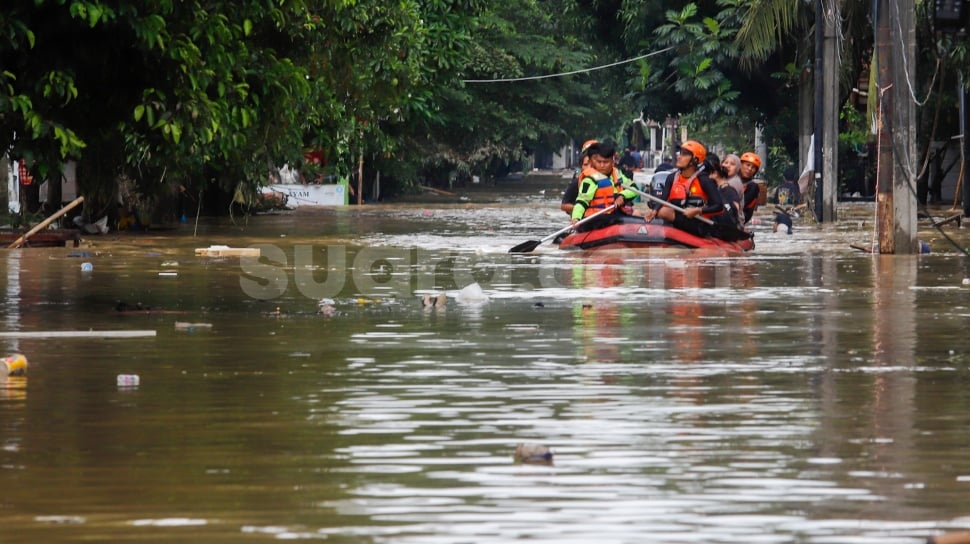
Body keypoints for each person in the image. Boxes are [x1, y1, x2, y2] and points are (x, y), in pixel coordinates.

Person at [643, 140, 726, 238]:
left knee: (664, 212)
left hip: (698, 223)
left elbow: (719, 206)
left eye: (684, 154)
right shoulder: (672, 178)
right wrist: (654, 210)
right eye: (680, 153)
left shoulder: (704, 180)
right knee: (659, 211)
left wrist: (698, 211)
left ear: (695, 160)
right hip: (680, 219)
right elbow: (663, 198)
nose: (679, 156)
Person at [570, 142, 636, 223]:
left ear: (612, 162)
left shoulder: (618, 175)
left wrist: (622, 196)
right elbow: (581, 201)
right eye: (599, 162)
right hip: (596, 219)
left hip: (615, 217)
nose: (602, 165)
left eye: (605, 162)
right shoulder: (590, 180)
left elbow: (634, 189)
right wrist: (576, 218)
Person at [705, 154, 744, 234]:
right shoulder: (720, 186)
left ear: (715, 173)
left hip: (731, 226)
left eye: (732, 164)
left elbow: (734, 210)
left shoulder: (731, 186)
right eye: (726, 163)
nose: (728, 166)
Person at [561, 139, 597, 216]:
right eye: (586, 164)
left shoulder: (609, 180)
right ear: (581, 166)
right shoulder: (576, 183)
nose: (589, 168)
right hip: (583, 219)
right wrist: (580, 209)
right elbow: (564, 205)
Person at [739, 151, 762, 224]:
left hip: (740, 217)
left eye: (753, 167)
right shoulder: (732, 179)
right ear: (740, 165)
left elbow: (741, 204)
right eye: (747, 165)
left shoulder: (753, 187)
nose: (749, 169)